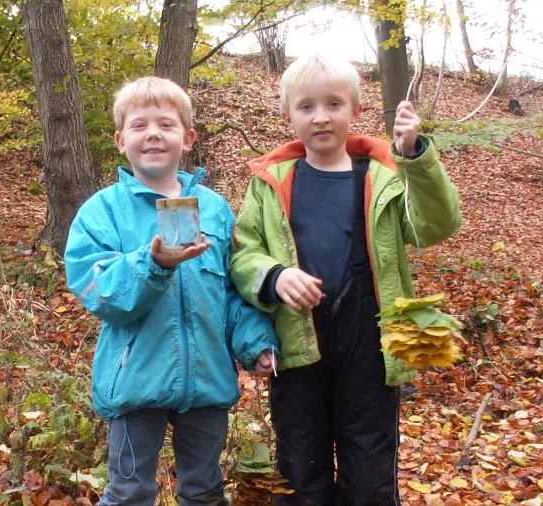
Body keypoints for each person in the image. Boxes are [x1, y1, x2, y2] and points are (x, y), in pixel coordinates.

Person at [229, 52, 462, 505]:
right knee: (300, 474)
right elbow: (243, 253)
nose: (321, 117)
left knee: (370, 477)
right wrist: (274, 276)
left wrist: (415, 157)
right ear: (288, 116)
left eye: (334, 104)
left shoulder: (386, 176)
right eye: (307, 107)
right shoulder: (272, 181)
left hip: (372, 348)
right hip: (298, 347)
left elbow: (437, 225)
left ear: (355, 110)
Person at [64, 76, 278, 506]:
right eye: (140, 125)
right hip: (133, 381)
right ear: (121, 139)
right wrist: (153, 264)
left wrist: (255, 342)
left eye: (166, 124)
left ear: (188, 137)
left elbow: (232, 292)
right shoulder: (102, 211)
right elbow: (100, 292)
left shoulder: (214, 209)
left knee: (204, 491)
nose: (153, 134)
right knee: (129, 492)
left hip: (206, 380)